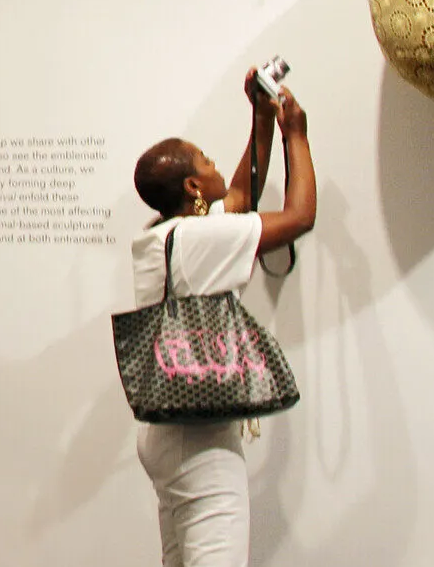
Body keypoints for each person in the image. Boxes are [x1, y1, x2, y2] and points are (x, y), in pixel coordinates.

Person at [129, 69, 317, 567]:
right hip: (200, 441)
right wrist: (295, 134)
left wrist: (260, 120)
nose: (215, 162)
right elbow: (300, 217)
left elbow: (237, 198)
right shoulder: (197, 241)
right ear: (193, 184)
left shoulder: (164, 237)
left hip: (165, 435)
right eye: (206, 159)